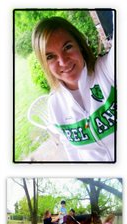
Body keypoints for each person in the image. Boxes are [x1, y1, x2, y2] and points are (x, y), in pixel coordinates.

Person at [31, 15, 115, 161]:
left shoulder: (109, 70)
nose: (63, 62)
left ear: (80, 46)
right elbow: (69, 146)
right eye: (50, 56)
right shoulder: (54, 104)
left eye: (67, 47)